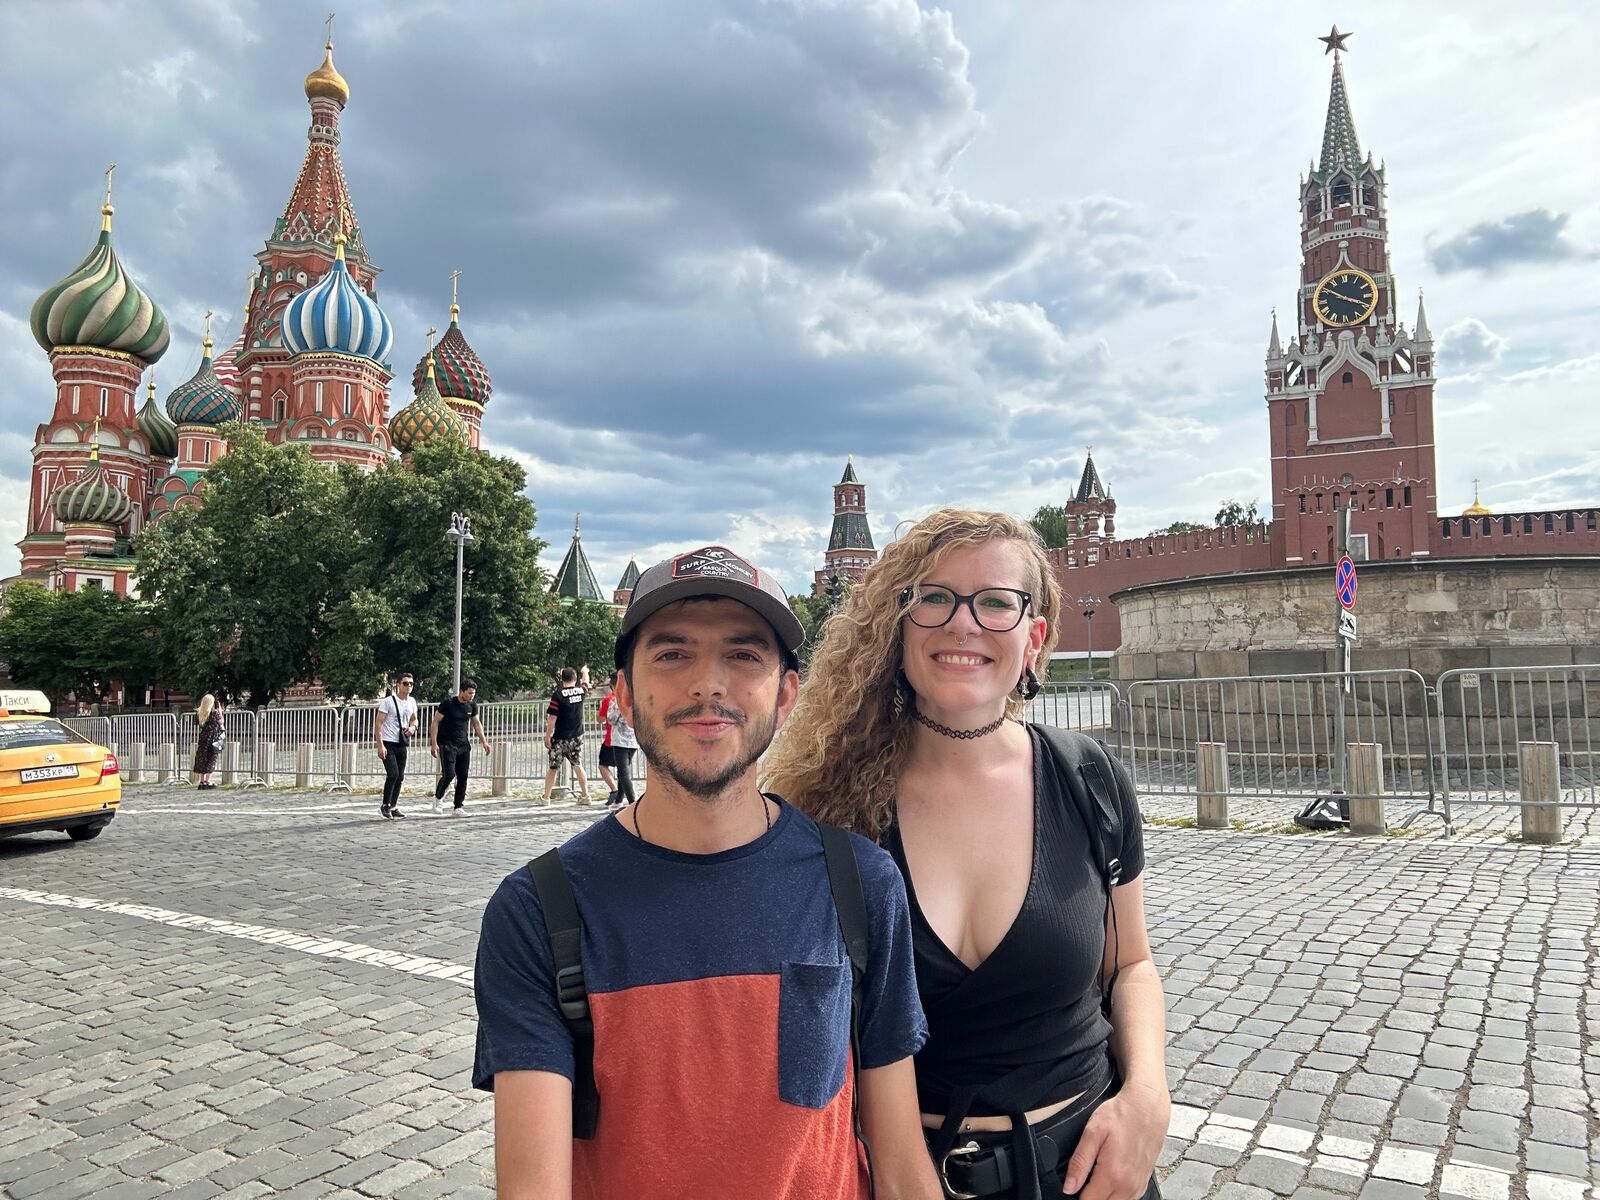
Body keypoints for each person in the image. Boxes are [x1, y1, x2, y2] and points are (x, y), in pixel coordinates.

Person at [473, 545, 941, 1200]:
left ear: (785, 696)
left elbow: (898, 1163)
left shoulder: (860, 884)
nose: (707, 684)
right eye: (672, 654)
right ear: (625, 697)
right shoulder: (540, 911)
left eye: (743, 655)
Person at [765, 510, 1170, 1200]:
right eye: (934, 598)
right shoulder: (824, 812)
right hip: (898, 1179)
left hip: (1090, 1167)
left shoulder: (1090, 780)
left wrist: (1148, 1098)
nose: (963, 623)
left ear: (1034, 637)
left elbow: (1130, 964)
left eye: (995, 603)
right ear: (897, 627)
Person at [431, 679, 490, 815]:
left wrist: (484, 742)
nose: (471, 696)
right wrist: (434, 743)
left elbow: (476, 724)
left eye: (473, 693)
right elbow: (435, 722)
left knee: (463, 775)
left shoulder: (472, 706)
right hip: (447, 743)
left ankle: (458, 806)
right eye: (469, 693)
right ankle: (438, 798)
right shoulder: (448, 704)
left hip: (463, 744)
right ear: (462, 691)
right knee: (449, 774)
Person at [374, 672, 419, 820]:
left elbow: (414, 719)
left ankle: (393, 806)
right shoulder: (388, 701)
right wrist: (380, 745)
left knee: (400, 776)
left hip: (402, 742)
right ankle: (385, 804)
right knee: (392, 774)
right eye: (405, 683)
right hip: (388, 742)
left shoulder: (412, 701)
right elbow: (379, 723)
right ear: (398, 685)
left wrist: (413, 728)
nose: (409, 686)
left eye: (411, 683)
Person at [542, 667, 591, 803]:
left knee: (553, 767)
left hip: (560, 738)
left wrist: (547, 736)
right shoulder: (581, 691)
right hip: (576, 736)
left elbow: (552, 718)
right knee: (577, 764)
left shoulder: (558, 695)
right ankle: (585, 795)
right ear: (575, 680)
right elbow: (586, 682)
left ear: (562, 679)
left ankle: (546, 797)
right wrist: (585, 672)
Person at [604, 678, 639, 809]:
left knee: (623, 773)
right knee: (623, 771)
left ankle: (632, 802)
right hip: (633, 739)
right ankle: (619, 800)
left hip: (620, 740)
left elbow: (611, 719)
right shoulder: (636, 700)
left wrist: (611, 706)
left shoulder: (620, 701)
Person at [596, 671, 619, 806]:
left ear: (611, 684)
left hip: (611, 739)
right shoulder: (630, 697)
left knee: (603, 765)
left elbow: (599, 719)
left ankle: (614, 789)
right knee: (624, 769)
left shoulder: (608, 700)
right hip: (630, 739)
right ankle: (624, 794)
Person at [193, 694, 224, 790]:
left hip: (203, 738)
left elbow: (197, 723)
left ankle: (202, 781)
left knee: (202, 758)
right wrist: (219, 709)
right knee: (211, 759)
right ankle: (207, 780)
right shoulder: (215, 713)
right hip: (213, 739)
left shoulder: (199, 713)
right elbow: (221, 722)